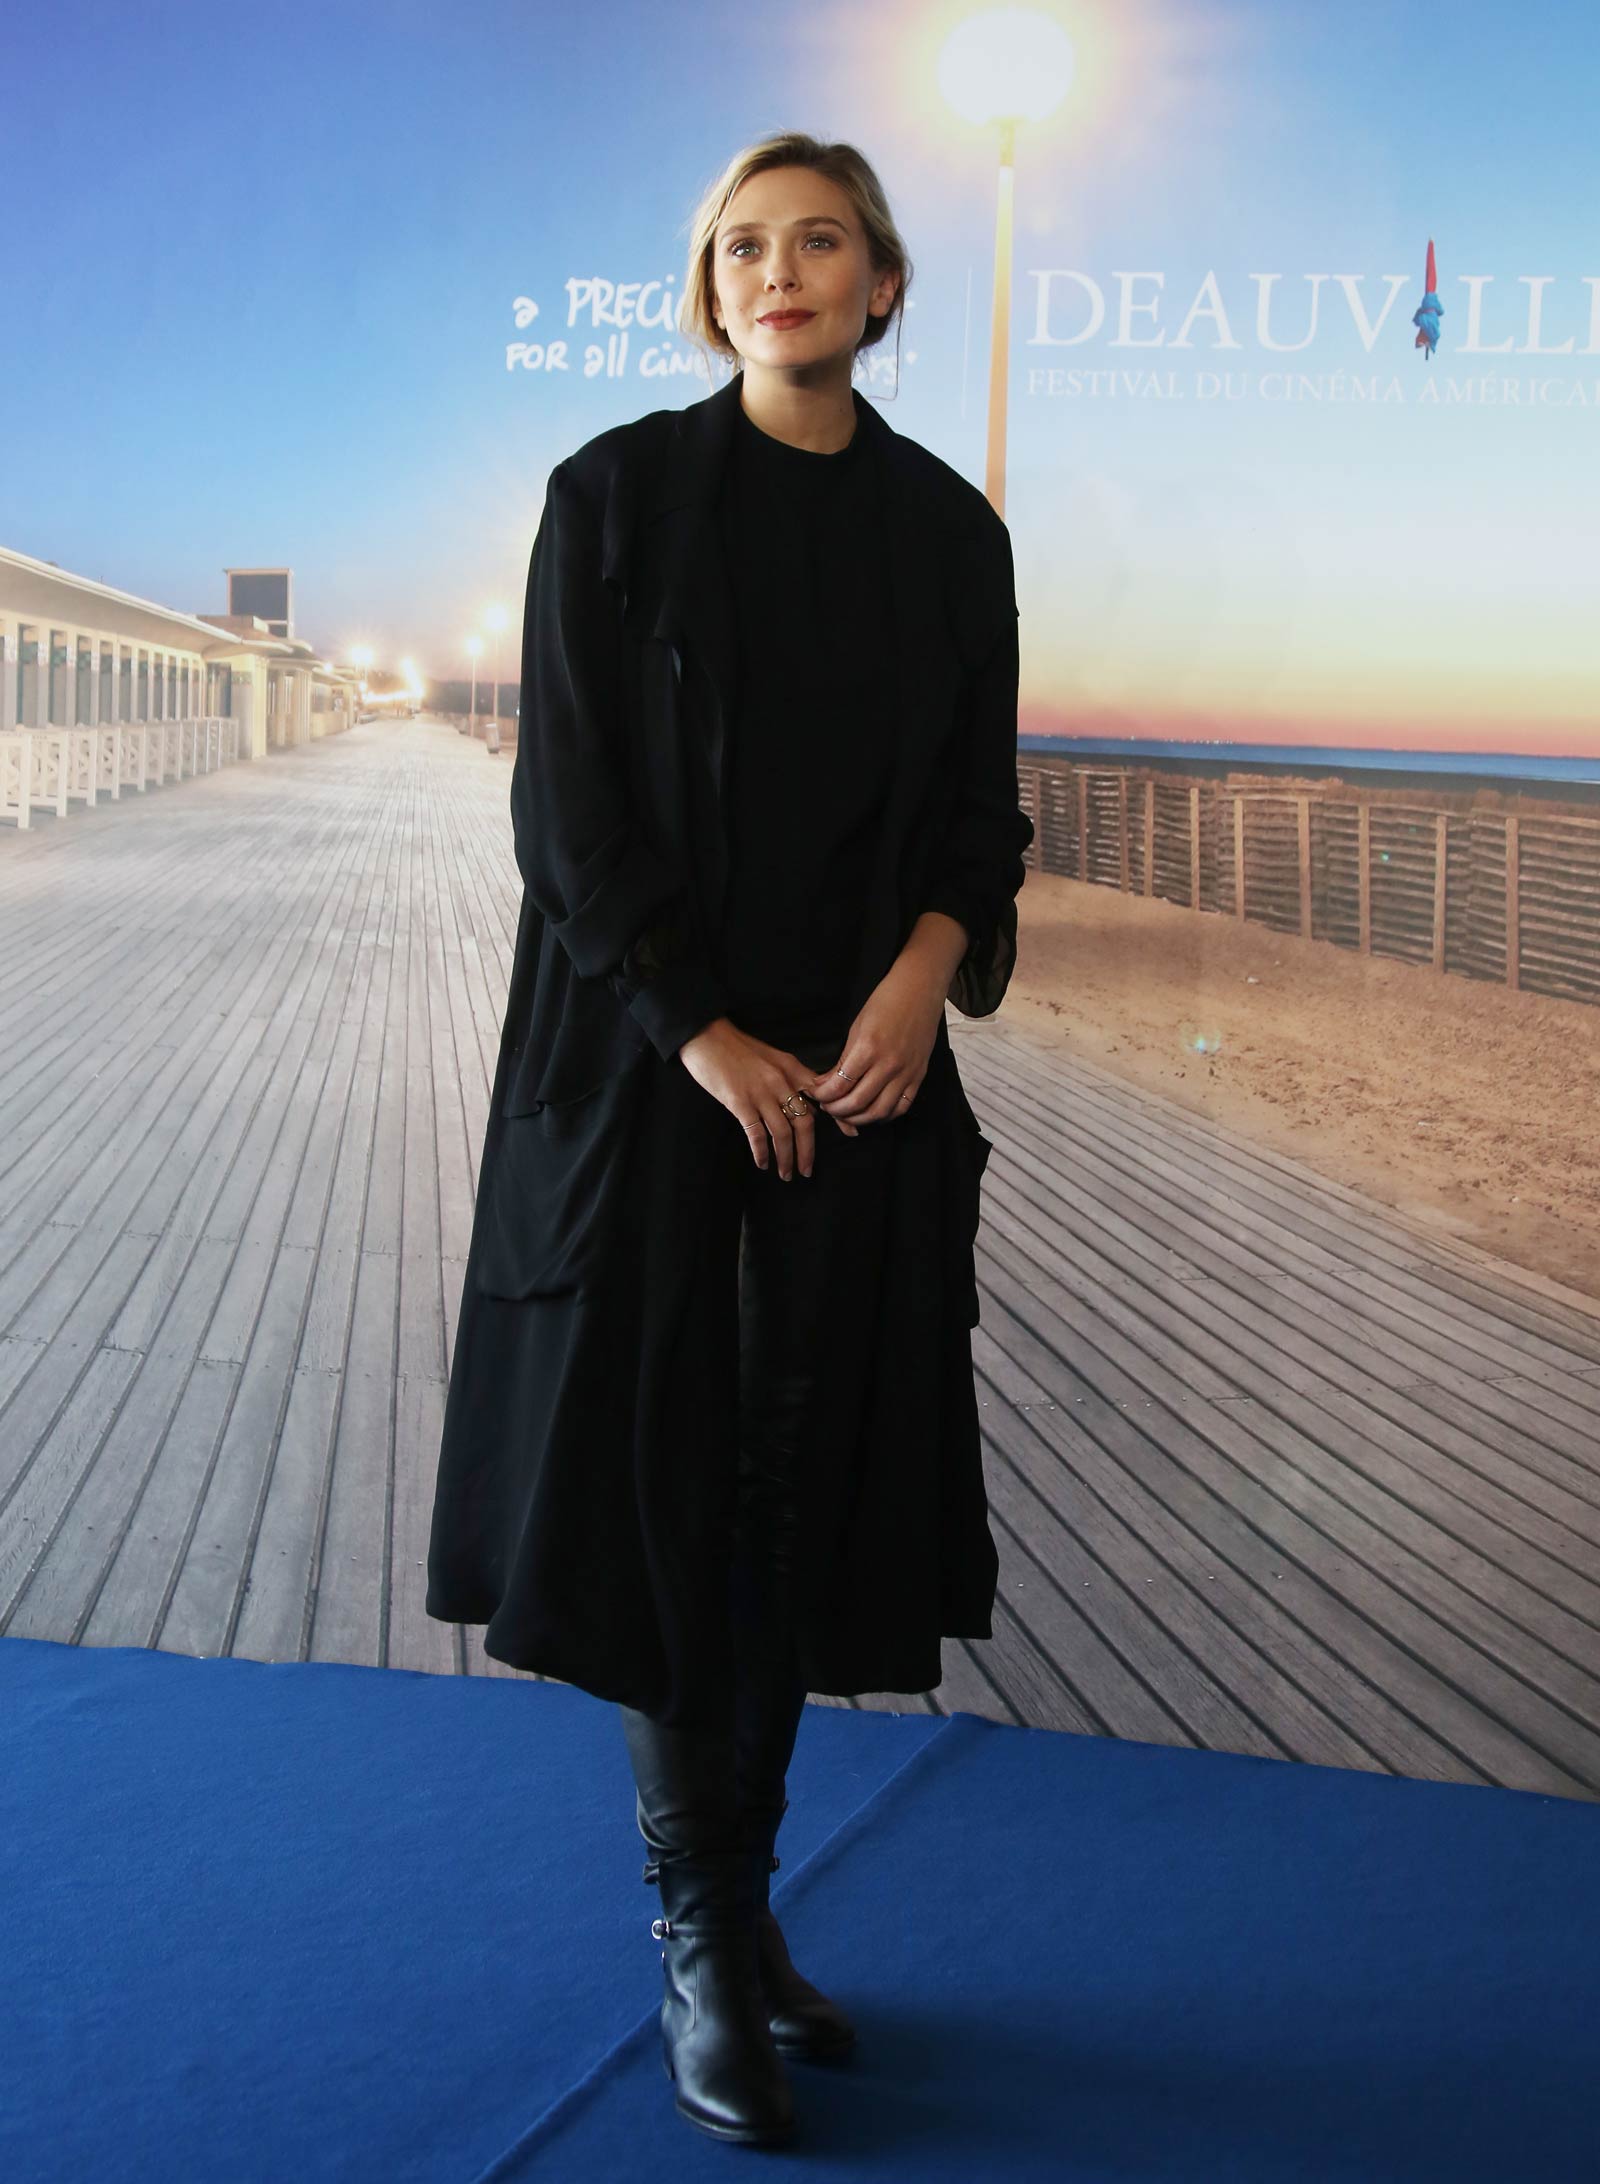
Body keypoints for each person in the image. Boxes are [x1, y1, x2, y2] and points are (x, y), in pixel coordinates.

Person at [424, 131, 1033, 2148]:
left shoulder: (949, 535)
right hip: (653, 1088)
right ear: (710, 289)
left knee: (795, 1490)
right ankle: (696, 1931)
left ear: (879, 282)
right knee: (677, 1493)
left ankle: (746, 1917)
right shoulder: (614, 500)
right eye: (742, 246)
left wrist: (902, 987)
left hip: (858, 1090)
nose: (780, 271)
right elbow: (567, 818)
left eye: (821, 241)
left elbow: (973, 818)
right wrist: (701, 1033)